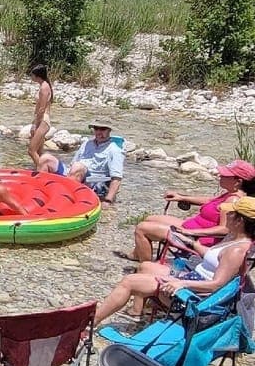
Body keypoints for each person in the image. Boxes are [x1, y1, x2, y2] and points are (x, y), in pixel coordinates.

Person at [93, 197, 255, 326]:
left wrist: (181, 283)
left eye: (231, 213)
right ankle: (136, 313)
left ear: (239, 221)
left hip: (195, 298)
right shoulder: (235, 239)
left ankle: (89, 326)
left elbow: (217, 285)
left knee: (129, 282)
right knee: (146, 266)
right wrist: (191, 242)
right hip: (195, 280)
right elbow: (214, 257)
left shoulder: (237, 250)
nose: (226, 215)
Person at [114, 159, 255, 263]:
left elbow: (224, 230)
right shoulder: (230, 194)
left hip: (198, 237)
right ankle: (138, 254)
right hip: (191, 226)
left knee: (142, 228)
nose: (220, 176)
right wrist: (182, 197)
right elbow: (210, 201)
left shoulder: (233, 201)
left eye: (225, 175)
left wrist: (191, 233)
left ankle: (145, 267)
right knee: (150, 219)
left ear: (238, 181)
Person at [69, 123, 124, 203]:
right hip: (76, 175)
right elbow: (72, 164)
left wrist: (108, 201)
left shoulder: (114, 150)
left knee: (78, 167)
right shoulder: (87, 144)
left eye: (102, 129)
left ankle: (68, 197)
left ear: (109, 130)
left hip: (95, 183)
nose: (98, 132)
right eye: (96, 128)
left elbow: (117, 178)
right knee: (49, 160)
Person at [28, 65, 53, 172]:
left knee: (31, 150)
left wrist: (35, 124)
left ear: (37, 75)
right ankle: (42, 169)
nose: (31, 77)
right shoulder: (44, 86)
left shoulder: (44, 87)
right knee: (39, 151)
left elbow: (42, 108)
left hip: (43, 120)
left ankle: (43, 171)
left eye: (32, 75)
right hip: (40, 119)